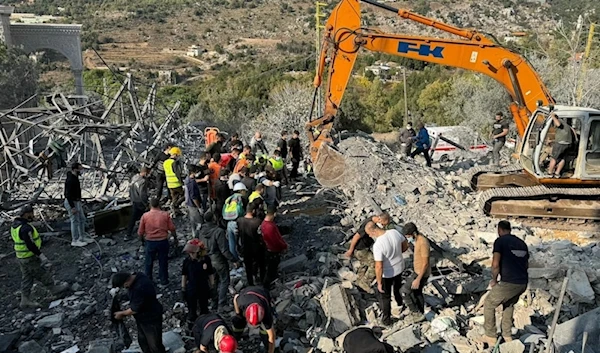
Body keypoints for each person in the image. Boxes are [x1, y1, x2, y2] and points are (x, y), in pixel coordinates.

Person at [11, 205, 69, 309]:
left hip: (21, 257)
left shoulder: (15, 225)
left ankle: (25, 299)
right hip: (29, 257)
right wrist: (41, 255)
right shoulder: (25, 228)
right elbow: (30, 244)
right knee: (41, 273)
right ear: (26, 214)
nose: (33, 216)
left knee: (27, 278)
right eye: (31, 214)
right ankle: (53, 288)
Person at [481, 220, 529, 346]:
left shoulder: (500, 241)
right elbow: (526, 264)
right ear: (510, 229)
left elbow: (495, 263)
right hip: (523, 282)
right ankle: (507, 336)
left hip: (509, 282)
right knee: (509, 304)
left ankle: (490, 336)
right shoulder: (521, 243)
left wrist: (494, 279)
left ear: (499, 230)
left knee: (489, 303)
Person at [112, 272, 166, 353]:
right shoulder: (138, 276)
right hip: (142, 319)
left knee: (154, 345)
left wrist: (121, 314)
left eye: (124, 286)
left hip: (150, 319)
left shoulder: (139, 287)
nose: (125, 288)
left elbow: (134, 309)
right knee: (143, 341)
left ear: (126, 282)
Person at [369, 223, 408, 326]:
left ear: (374, 231)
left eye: (369, 234)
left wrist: (379, 282)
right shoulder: (394, 232)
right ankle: (400, 304)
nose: (369, 236)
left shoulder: (378, 245)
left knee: (385, 296)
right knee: (397, 287)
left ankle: (386, 320)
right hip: (399, 267)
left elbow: (378, 266)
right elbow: (405, 246)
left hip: (387, 273)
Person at [344, 213, 391, 294]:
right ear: (379, 219)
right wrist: (350, 250)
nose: (383, 226)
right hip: (360, 249)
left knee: (364, 264)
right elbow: (356, 237)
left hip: (364, 247)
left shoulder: (373, 221)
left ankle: (359, 280)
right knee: (374, 264)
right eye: (383, 224)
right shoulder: (367, 225)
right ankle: (365, 283)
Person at [203, 211, 240, 311]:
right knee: (224, 280)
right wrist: (234, 260)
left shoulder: (201, 231)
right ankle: (222, 304)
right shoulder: (218, 231)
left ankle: (214, 302)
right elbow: (224, 250)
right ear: (213, 219)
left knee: (213, 281)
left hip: (207, 259)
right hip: (218, 259)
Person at [138, 198, 177, 287]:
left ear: (150, 205)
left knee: (148, 262)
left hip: (150, 241)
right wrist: (175, 238)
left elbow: (140, 232)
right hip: (162, 241)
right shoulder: (165, 214)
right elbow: (172, 228)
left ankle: (148, 281)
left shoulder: (145, 216)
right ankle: (164, 280)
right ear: (159, 205)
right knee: (163, 261)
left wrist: (142, 241)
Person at [400, 222, 430, 322]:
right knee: (417, 293)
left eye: (408, 236)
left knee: (405, 291)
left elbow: (425, 263)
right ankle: (421, 313)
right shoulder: (417, 240)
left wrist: (418, 279)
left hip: (420, 273)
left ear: (413, 233)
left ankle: (415, 313)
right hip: (418, 271)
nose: (408, 238)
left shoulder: (423, 242)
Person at [181, 239, 214, 328]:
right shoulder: (187, 261)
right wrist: (183, 288)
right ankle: (193, 326)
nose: (191, 255)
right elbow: (184, 275)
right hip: (191, 289)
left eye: (193, 253)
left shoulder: (206, 260)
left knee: (204, 308)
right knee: (192, 310)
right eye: (190, 253)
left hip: (203, 287)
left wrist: (212, 287)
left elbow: (210, 274)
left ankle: (205, 324)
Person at [233, 286, 276, 353]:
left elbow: (272, 335)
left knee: (265, 332)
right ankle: (235, 339)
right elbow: (235, 298)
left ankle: (265, 342)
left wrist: (271, 351)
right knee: (238, 322)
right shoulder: (242, 301)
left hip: (263, 292)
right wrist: (238, 313)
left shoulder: (266, 312)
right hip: (247, 292)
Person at [237, 203, 265, 286]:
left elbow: (237, 234)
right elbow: (261, 234)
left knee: (248, 267)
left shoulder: (239, 221)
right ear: (253, 211)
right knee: (260, 265)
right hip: (256, 248)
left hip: (245, 247)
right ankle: (261, 281)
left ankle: (250, 284)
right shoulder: (257, 221)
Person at [64, 162, 91, 247]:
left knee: (81, 219)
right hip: (71, 202)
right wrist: (72, 207)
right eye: (80, 169)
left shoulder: (75, 177)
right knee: (74, 221)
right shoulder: (70, 180)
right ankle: (74, 240)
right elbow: (67, 194)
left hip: (77, 201)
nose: (81, 171)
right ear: (75, 169)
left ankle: (82, 236)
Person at [261, 207, 288, 289]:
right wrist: (284, 246)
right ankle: (267, 286)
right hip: (273, 251)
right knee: (271, 269)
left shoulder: (264, 224)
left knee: (271, 268)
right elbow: (276, 239)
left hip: (268, 249)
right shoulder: (270, 226)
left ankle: (270, 284)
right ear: (273, 214)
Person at [223, 183, 248, 260]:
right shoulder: (241, 199)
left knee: (232, 243)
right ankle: (244, 258)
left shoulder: (229, 199)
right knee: (241, 242)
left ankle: (235, 260)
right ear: (241, 191)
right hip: (238, 222)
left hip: (229, 222)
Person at [127, 167, 150, 241]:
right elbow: (142, 194)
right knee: (147, 217)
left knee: (133, 218)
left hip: (134, 200)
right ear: (145, 173)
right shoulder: (142, 181)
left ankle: (128, 234)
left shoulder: (134, 178)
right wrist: (146, 203)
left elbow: (130, 190)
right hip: (140, 202)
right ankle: (148, 233)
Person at [548, 113, 573, 178]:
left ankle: (550, 173)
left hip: (560, 143)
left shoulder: (558, 121)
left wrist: (552, 116)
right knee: (562, 158)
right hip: (568, 143)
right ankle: (557, 173)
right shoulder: (566, 125)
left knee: (554, 158)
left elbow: (558, 124)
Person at [163, 147, 185, 216]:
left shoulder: (165, 162)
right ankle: (175, 205)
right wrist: (182, 182)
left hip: (169, 184)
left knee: (174, 197)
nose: (178, 157)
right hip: (176, 183)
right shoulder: (174, 162)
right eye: (178, 155)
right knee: (184, 195)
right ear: (175, 154)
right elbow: (177, 173)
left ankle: (176, 211)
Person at [185, 166, 203, 238]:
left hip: (189, 204)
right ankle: (197, 237)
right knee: (199, 223)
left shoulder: (187, 179)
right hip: (193, 205)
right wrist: (199, 207)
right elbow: (194, 197)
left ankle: (194, 235)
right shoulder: (192, 183)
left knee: (193, 222)